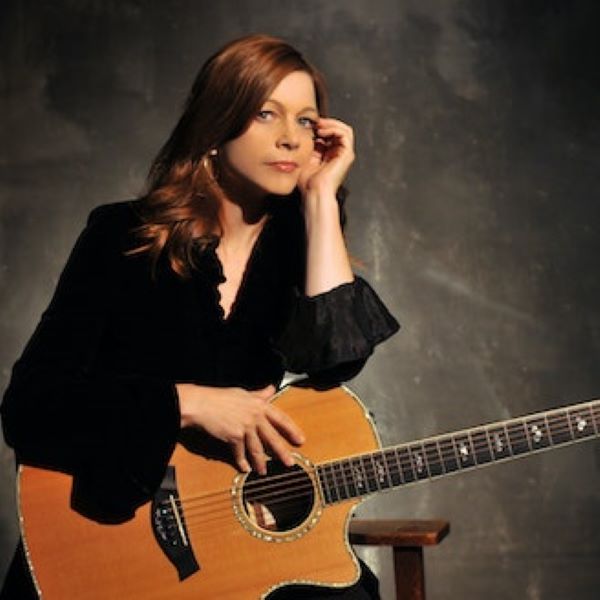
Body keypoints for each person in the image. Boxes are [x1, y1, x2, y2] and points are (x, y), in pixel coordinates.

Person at [0, 34, 399, 599]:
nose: (291, 136)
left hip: (229, 547)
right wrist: (187, 402)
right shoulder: (122, 236)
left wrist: (320, 199)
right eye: (266, 113)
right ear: (216, 125)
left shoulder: (296, 247)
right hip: (114, 543)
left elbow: (338, 359)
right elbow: (30, 409)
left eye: (306, 120)